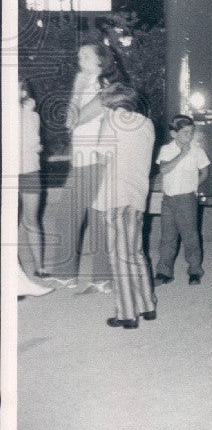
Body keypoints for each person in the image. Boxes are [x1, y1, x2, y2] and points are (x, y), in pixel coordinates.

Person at [40, 41, 126, 292]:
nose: (80, 59)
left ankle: (101, 278)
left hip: (97, 161)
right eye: (79, 55)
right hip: (82, 159)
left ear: (101, 60)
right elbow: (70, 120)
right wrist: (78, 88)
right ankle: (74, 274)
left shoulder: (107, 87)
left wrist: (77, 88)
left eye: (86, 55)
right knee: (71, 215)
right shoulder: (88, 84)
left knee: (89, 217)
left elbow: (75, 119)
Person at [92, 84, 156, 329]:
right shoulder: (147, 124)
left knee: (119, 256)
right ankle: (147, 305)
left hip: (115, 194)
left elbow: (102, 158)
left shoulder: (112, 122)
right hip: (138, 194)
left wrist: (102, 125)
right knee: (136, 252)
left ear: (112, 105)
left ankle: (127, 313)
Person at [154, 115, 210, 286]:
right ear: (173, 133)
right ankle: (164, 272)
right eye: (185, 132)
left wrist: (192, 186)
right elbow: (164, 169)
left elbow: (205, 172)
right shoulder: (166, 150)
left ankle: (194, 271)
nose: (189, 136)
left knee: (190, 236)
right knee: (167, 237)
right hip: (168, 199)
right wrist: (181, 154)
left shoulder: (197, 151)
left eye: (191, 132)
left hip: (187, 199)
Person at [18, 80, 45, 276]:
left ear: (23, 92)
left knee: (31, 219)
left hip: (29, 171)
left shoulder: (31, 116)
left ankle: (40, 266)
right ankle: (13, 270)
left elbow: (33, 144)